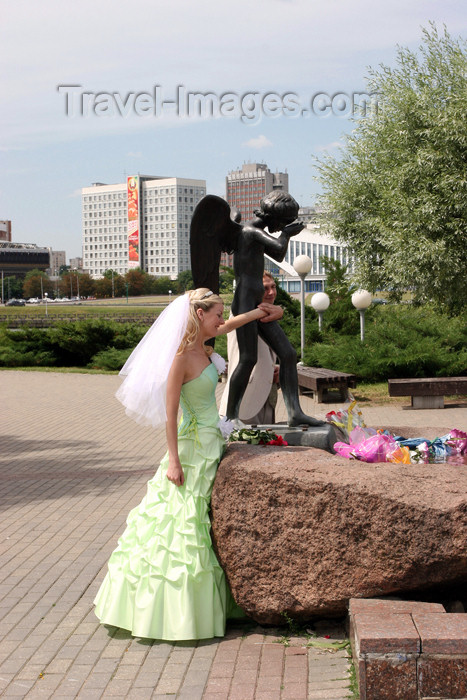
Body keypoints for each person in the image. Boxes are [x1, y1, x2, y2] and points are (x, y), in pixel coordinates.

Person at [93, 289, 273, 641]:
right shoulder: (181, 357)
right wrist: (173, 461)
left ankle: (213, 603)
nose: (221, 321)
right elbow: (170, 414)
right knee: (184, 526)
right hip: (191, 451)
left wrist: (259, 313)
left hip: (211, 444)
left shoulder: (203, 346)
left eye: (222, 315)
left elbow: (230, 325)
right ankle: (175, 612)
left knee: (204, 523)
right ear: (199, 315)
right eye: (217, 314)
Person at [219, 272, 282, 424]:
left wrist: (274, 368)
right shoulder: (240, 313)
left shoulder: (268, 318)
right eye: (265, 288)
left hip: (267, 399)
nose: (271, 292)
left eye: (273, 287)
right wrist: (279, 311)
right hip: (243, 402)